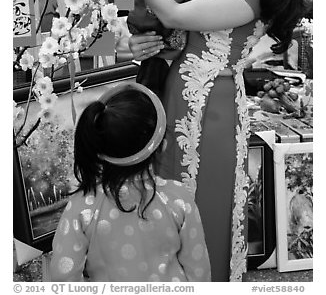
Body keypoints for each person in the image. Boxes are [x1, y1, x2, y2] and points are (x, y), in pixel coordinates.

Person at [128, 0, 311, 281]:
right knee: (165, 198)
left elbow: (174, 13)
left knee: (201, 206)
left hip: (213, 108)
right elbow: (181, 31)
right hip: (176, 91)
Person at [50, 81, 211, 282]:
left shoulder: (82, 206)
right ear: (162, 146)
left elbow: (62, 276)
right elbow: (199, 272)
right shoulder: (178, 198)